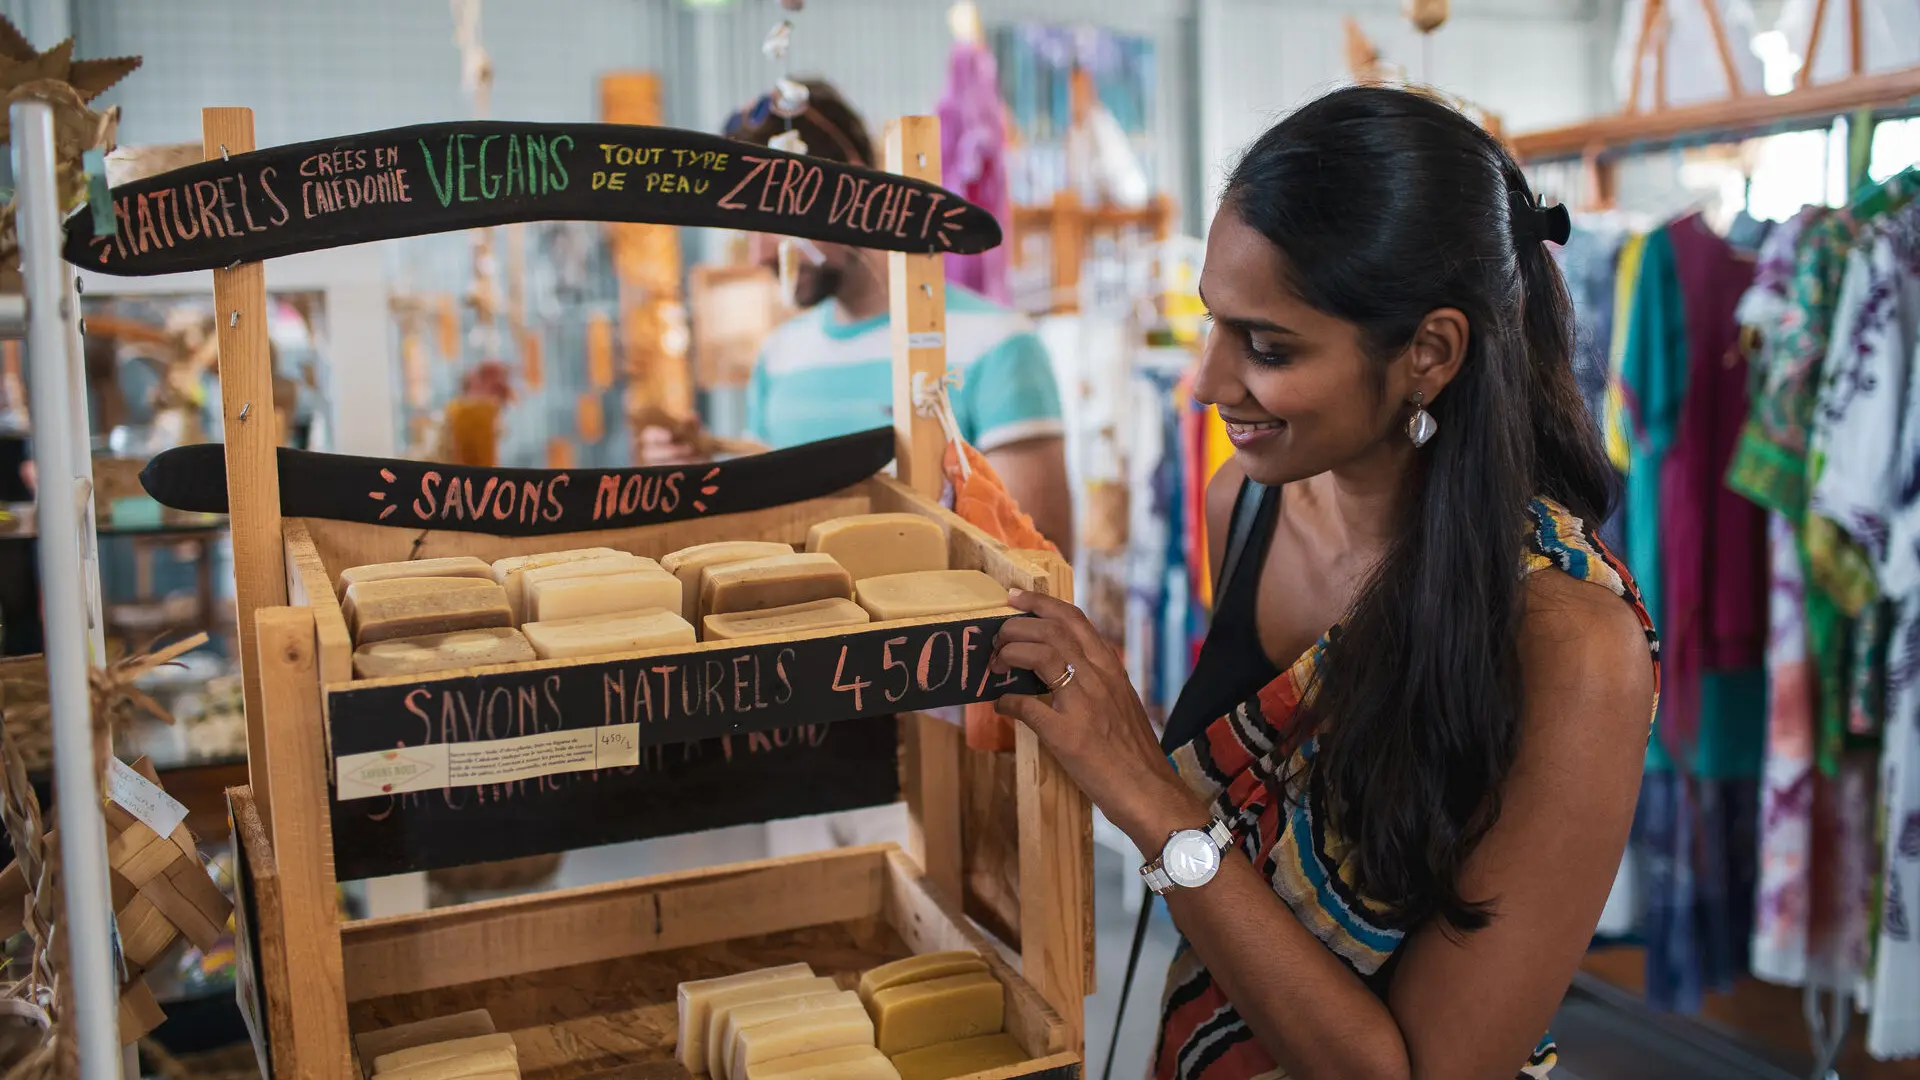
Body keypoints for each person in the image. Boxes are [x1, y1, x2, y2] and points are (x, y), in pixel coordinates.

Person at [988, 86, 1658, 1079]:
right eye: (1215, 324)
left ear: (1428, 353)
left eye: (1267, 346)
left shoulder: (1573, 648)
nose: (1212, 383)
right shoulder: (1243, 507)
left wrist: (1139, 784)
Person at [647, 79, 1073, 554]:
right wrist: (687, 478)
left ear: (847, 191)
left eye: (768, 221)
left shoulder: (999, 346)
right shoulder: (780, 355)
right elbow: (758, 527)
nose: (759, 255)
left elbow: (1038, 566)